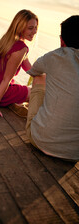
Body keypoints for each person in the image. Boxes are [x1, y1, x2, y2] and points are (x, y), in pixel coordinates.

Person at [25, 15, 79, 162]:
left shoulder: (54, 56)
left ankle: (46, 126)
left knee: (41, 77)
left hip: (40, 141)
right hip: (74, 155)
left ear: (62, 40)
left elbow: (34, 71)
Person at [0, 9, 38, 120]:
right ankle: (17, 104)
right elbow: (6, 80)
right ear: (20, 27)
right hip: (0, 93)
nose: (34, 31)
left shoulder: (8, 40)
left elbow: (30, 69)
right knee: (36, 93)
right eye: (30, 28)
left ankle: (16, 104)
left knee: (35, 88)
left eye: (36, 27)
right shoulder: (21, 49)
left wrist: (47, 76)